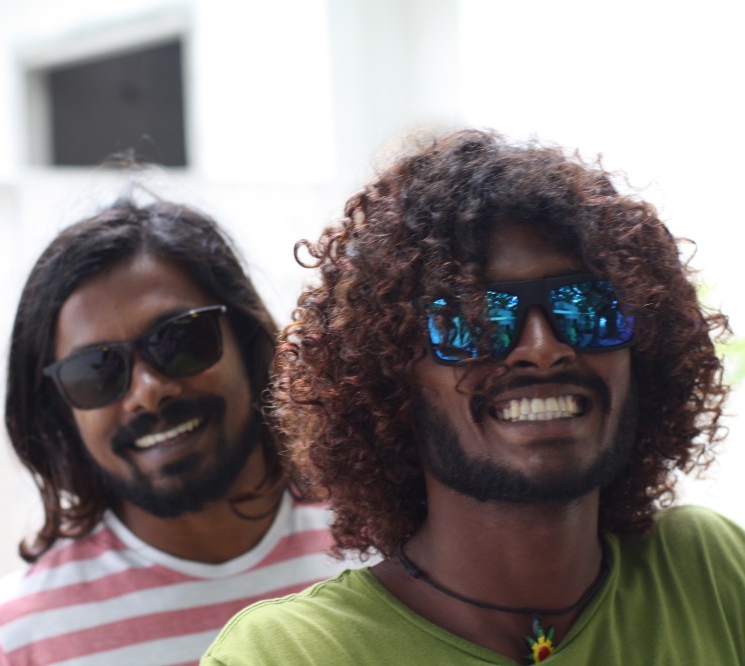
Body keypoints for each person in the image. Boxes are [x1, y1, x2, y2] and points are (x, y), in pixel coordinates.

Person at [203, 129, 745, 665]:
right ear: (388, 380)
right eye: (474, 321)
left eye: (586, 308)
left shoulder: (710, 568)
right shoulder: (289, 654)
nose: (543, 349)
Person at [0, 198, 343, 665]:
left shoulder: (382, 546)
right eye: (96, 371)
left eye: (179, 339)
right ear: (61, 414)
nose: (148, 392)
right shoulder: (14, 639)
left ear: (246, 342)